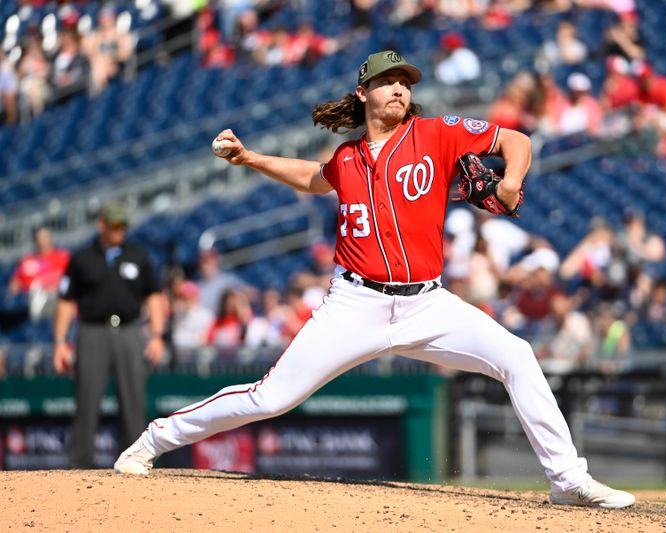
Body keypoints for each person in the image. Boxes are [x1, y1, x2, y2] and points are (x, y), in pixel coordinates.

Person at [114, 50, 634, 509]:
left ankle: (567, 479)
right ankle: (156, 439)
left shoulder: (438, 134)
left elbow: (514, 138)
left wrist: (513, 182)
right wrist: (249, 157)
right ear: (364, 93)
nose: (400, 88)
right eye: (389, 80)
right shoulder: (347, 160)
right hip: (354, 304)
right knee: (270, 399)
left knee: (517, 355)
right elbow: (311, 177)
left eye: (406, 81)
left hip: (427, 305)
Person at [53, 202, 165, 468]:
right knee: (87, 400)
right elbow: (66, 301)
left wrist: (157, 335)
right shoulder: (82, 258)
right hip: (92, 331)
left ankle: (138, 460)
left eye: (123, 225)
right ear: (101, 224)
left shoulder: (138, 257)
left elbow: (153, 297)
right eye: (114, 225)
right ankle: (79, 465)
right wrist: (59, 342)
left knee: (133, 400)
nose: (119, 230)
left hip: (129, 331)